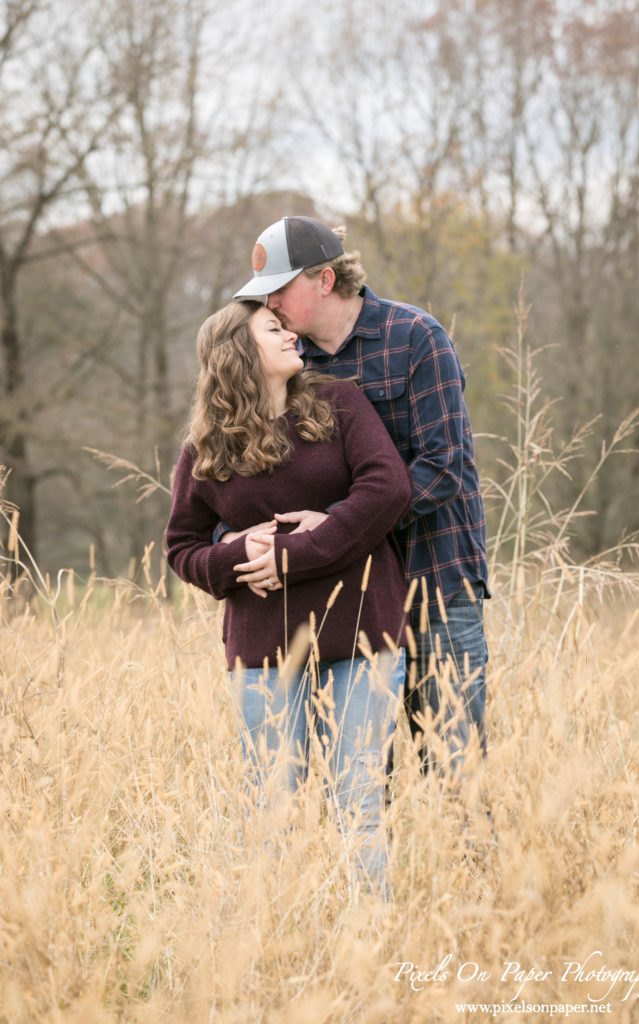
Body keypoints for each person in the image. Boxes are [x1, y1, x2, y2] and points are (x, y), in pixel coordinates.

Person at [226, 215, 490, 781]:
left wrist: (338, 524)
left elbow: (445, 467)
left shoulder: (415, 337)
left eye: (280, 287)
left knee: (456, 778)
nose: (269, 302)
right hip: (351, 606)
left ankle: (462, 874)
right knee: (370, 784)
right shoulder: (291, 366)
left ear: (324, 280)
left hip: (435, 585)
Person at [165, 299, 412, 895]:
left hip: (361, 634)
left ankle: (371, 944)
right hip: (263, 651)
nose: (290, 334)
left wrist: (292, 554)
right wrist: (234, 559)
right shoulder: (207, 448)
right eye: (273, 329)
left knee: (358, 802)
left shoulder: (340, 405)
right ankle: (279, 944)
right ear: (238, 353)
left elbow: (388, 488)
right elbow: (182, 547)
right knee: (271, 811)